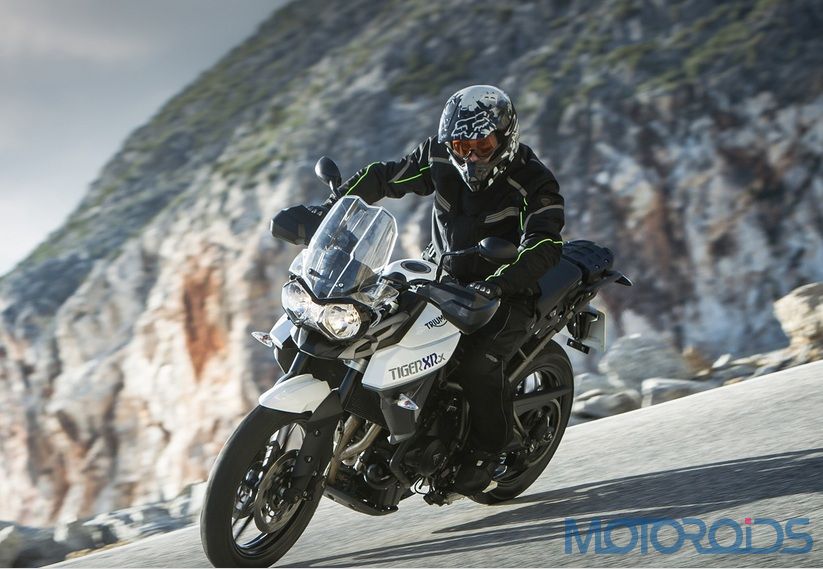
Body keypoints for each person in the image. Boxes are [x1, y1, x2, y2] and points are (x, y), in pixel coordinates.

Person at [316, 85, 565, 494]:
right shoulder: (438, 156)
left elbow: (545, 246)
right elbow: (386, 177)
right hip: (442, 275)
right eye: (462, 147)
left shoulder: (534, 182)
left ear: (506, 138)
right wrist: (332, 208)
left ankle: (487, 451)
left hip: (507, 289)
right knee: (375, 325)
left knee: (477, 364)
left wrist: (497, 285)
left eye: (482, 145)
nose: (471, 157)